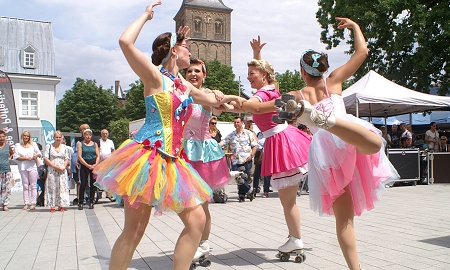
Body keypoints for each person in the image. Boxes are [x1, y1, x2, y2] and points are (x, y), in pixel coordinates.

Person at [93, 2, 244, 269]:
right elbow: (125, 42)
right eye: (186, 47)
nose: (191, 51)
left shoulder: (181, 84)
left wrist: (232, 99)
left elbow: (209, 99)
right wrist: (146, 16)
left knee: (197, 220)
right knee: (134, 231)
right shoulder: (153, 76)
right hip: (147, 158)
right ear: (174, 51)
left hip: (174, 161)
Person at [240, 18, 398, 269]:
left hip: (327, 151)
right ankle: (328, 121)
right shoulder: (333, 80)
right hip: (347, 135)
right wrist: (356, 26)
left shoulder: (297, 95)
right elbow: (362, 52)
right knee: (374, 144)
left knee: (344, 221)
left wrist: (231, 100)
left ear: (303, 71)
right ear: (321, 69)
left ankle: (323, 121)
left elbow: (260, 106)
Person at [228, 35, 312, 259]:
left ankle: (296, 239)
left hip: (281, 142)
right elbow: (262, 80)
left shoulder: (264, 94)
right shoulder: (272, 89)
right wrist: (257, 55)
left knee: (288, 201)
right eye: (247, 75)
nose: (248, 79)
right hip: (286, 138)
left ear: (263, 75)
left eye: (251, 75)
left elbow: (252, 104)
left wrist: (228, 99)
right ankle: (295, 238)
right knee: (289, 200)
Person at [183, 58, 231, 263]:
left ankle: (202, 244)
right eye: (189, 71)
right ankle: (194, 242)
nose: (193, 74)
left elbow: (221, 109)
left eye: (197, 71)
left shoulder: (209, 94)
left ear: (204, 75)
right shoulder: (180, 93)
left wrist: (219, 97)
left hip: (202, 154)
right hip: (182, 153)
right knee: (187, 205)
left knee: (202, 205)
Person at [221, 116, 258, 201]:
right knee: (238, 178)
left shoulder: (248, 133)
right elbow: (223, 142)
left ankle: (241, 195)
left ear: (242, 123)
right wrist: (212, 144)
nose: (236, 124)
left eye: (238, 122)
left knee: (244, 177)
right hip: (235, 160)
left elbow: (255, 145)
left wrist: (251, 155)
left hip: (246, 159)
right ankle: (250, 190)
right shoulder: (231, 135)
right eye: (235, 122)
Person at [14, 130, 41, 211]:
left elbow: (39, 153)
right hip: (23, 166)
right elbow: (16, 157)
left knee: (33, 185)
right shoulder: (18, 145)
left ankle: (33, 203)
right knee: (25, 186)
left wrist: (36, 155)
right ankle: (26, 203)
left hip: (32, 166)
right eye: (24, 136)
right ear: (22, 136)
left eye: (27, 136)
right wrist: (26, 158)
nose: (26, 137)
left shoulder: (33, 145)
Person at [43, 131, 70, 212]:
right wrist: (54, 166)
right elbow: (45, 158)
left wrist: (64, 166)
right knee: (52, 186)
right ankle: (52, 205)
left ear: (62, 138)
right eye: (56, 137)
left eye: (59, 137)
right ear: (54, 138)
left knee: (62, 187)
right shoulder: (49, 146)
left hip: (62, 170)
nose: (58, 139)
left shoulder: (65, 147)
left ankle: (61, 204)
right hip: (52, 169)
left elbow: (66, 158)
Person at [77, 129, 99, 210]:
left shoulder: (95, 144)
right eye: (86, 135)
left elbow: (97, 155)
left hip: (93, 164)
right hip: (84, 164)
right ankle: (81, 202)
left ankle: (91, 201)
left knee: (93, 184)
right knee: (83, 183)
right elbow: (79, 156)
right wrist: (87, 165)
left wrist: (95, 164)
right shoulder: (81, 144)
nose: (88, 136)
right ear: (83, 135)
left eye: (90, 135)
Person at [99, 129, 116, 201]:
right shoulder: (99, 141)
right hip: (101, 162)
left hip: (109, 162)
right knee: (100, 177)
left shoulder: (110, 141)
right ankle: (99, 193)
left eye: (106, 133)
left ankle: (109, 194)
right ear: (101, 134)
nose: (105, 135)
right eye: (103, 133)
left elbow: (113, 150)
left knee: (109, 177)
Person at [0, 130, 14, 211]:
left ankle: (5, 204)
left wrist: (10, 158)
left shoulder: (7, 146)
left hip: (6, 169)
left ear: (5, 137)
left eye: (3, 137)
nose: (1, 138)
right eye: (0, 137)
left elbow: (12, 153)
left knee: (7, 187)